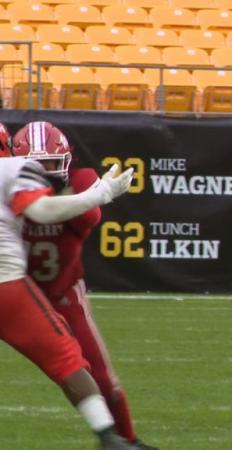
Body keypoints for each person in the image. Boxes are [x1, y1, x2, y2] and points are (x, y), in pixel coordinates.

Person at [12, 121, 158, 450]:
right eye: (36, 166)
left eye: (51, 164)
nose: (45, 173)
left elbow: (89, 217)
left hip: (62, 291)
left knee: (103, 379)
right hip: (17, 293)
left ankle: (126, 441)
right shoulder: (8, 184)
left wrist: (66, 194)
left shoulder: (81, 180)